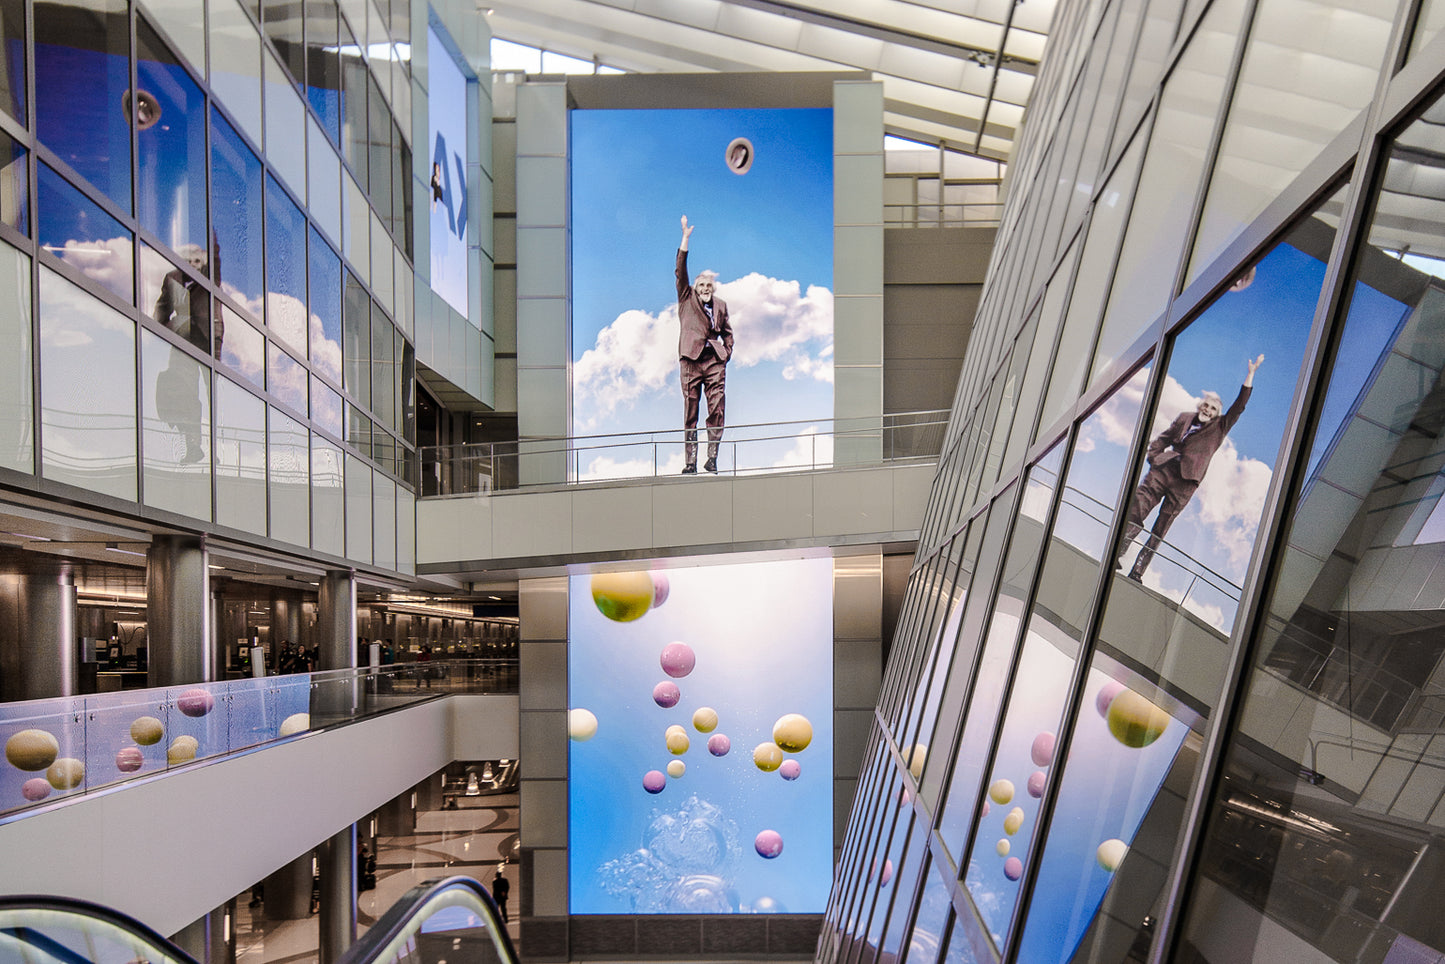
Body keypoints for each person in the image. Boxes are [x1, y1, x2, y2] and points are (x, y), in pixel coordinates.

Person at [1119, 354, 1264, 581]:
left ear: (1217, 414)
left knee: (1160, 528)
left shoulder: (1220, 427)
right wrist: (1154, 457)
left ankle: (1137, 571)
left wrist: (1250, 374)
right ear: (1200, 406)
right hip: (1163, 470)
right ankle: (1119, 551)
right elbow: (1162, 439)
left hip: (1185, 483)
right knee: (1137, 506)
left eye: (1212, 409)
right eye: (1205, 405)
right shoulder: (1185, 417)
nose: (1207, 410)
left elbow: (1239, 406)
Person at [676, 215, 734, 474]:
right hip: (690, 360)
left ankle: (712, 458)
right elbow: (680, 270)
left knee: (717, 409)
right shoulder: (686, 297)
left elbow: (728, 333)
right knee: (691, 413)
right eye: (701, 284)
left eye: (709, 285)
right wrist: (685, 238)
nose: (706, 288)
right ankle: (690, 462)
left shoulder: (721, 305)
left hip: (714, 362)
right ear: (695, 288)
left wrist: (726, 354)